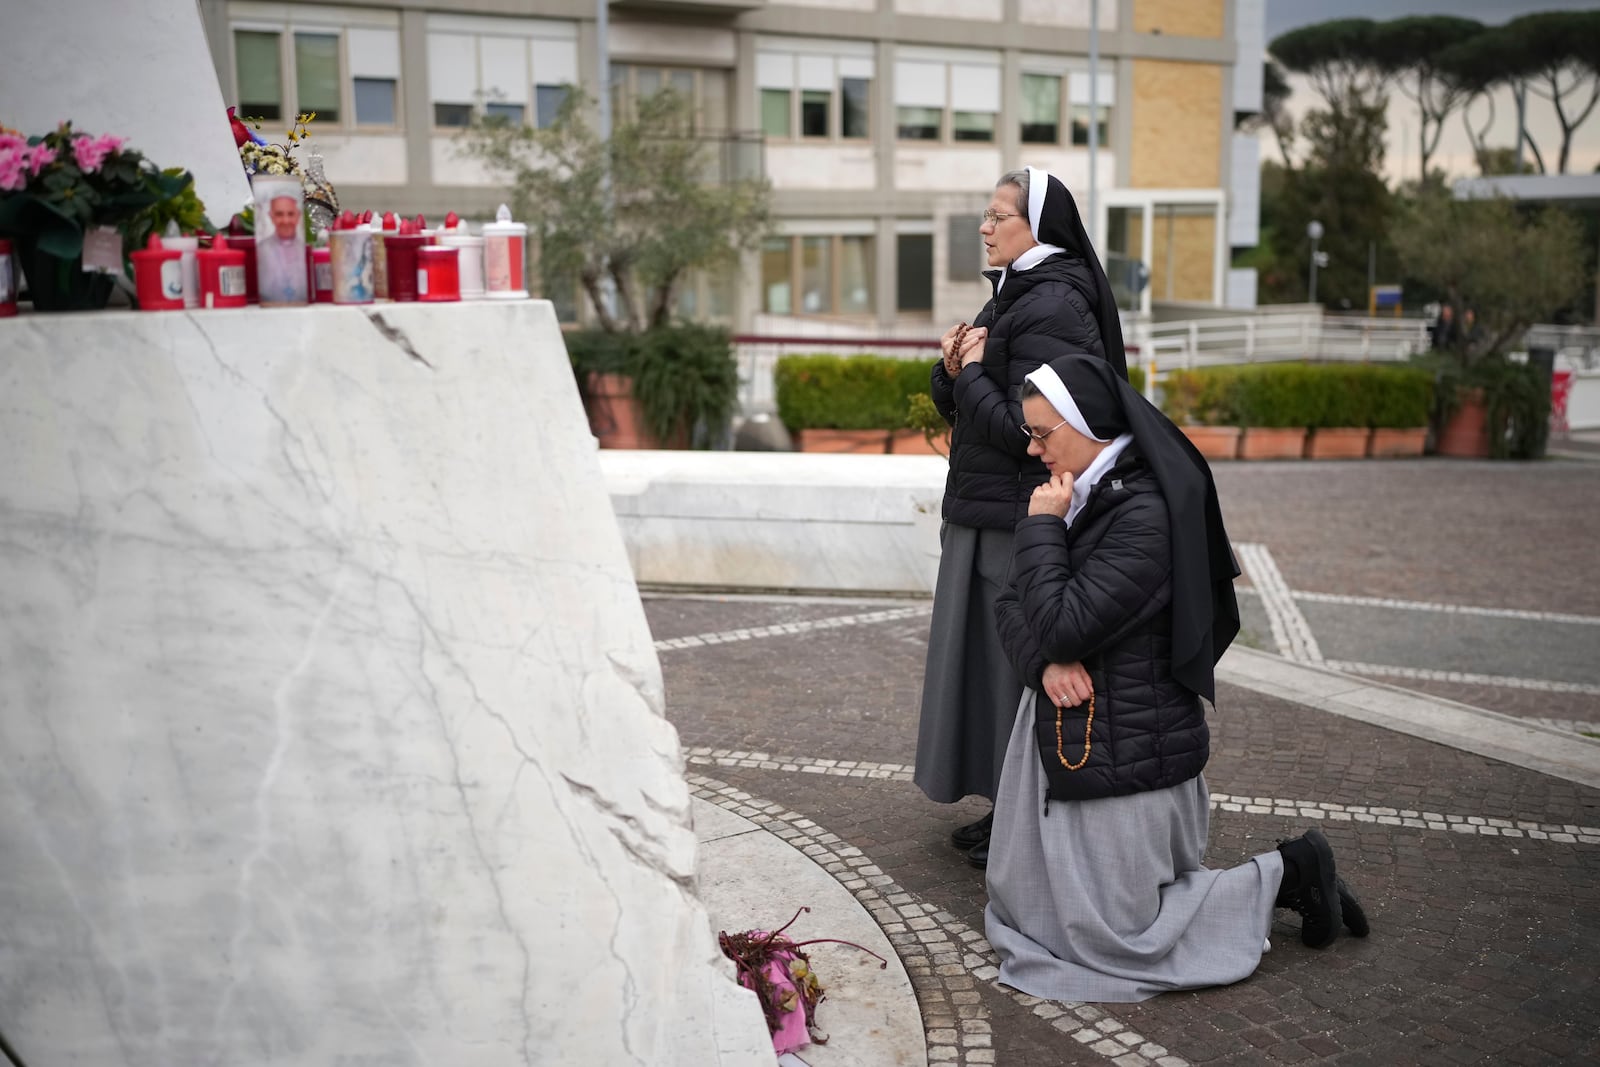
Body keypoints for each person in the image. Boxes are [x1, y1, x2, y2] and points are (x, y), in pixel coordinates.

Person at [984, 352, 1369, 1002]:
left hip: (1124, 751)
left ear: (1088, 424)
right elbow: (1009, 603)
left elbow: (1060, 623)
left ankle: (1288, 872)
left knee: (1117, 940)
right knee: (1031, 911)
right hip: (1075, 734)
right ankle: (1283, 878)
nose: (1032, 447)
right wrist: (1043, 662)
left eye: (1042, 433)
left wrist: (1042, 529)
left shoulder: (1144, 515)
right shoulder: (1079, 487)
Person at [915, 167, 1128, 870]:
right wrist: (953, 371)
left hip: (1016, 515)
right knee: (988, 667)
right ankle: (1007, 804)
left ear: (1037, 225)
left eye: (998, 214)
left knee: (1015, 666)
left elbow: (1025, 430)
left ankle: (1029, 811)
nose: (985, 225)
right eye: (985, 213)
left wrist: (973, 376)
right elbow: (976, 404)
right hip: (987, 508)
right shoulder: (1016, 296)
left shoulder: (1053, 304)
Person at [256, 191, 308, 305]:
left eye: (290, 214)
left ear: (298, 215)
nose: (286, 221)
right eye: (279, 214)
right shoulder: (262, 249)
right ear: (271, 216)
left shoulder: (306, 250)